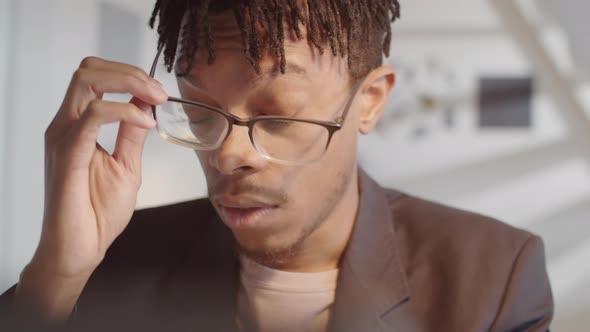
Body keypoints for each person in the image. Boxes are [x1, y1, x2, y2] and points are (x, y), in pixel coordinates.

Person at [0, 1, 553, 331]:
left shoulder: (493, 279)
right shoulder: (111, 262)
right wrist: (55, 277)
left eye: (277, 115)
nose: (226, 154)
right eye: (201, 112)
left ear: (370, 101)